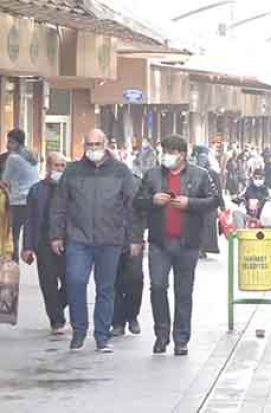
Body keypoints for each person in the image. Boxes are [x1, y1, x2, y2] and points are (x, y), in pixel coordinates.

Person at [50, 129, 141, 353]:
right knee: (75, 281)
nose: (92, 149)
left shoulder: (121, 171)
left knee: (106, 289)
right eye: (88, 144)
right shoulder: (72, 170)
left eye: (96, 144)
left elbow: (132, 207)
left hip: (110, 240)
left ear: (105, 144)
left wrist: (135, 239)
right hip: (78, 239)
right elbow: (59, 205)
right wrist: (56, 235)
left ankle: (102, 336)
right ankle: (79, 330)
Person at [134, 135, 220, 356]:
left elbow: (213, 200)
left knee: (183, 292)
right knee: (158, 287)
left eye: (170, 152)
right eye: (164, 151)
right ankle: (161, 334)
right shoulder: (152, 175)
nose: (166, 156)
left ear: (181, 154)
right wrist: (152, 200)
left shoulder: (200, 175)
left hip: (187, 243)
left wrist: (189, 203)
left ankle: (181, 338)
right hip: (159, 243)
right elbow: (138, 201)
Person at [22, 152, 67, 334]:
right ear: (48, 167)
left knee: (72, 282)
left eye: (63, 166)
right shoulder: (36, 190)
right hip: (44, 243)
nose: (60, 169)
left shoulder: (70, 190)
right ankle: (56, 319)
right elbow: (30, 220)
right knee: (48, 283)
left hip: (67, 242)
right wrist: (27, 247)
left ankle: (57, 307)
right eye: (56, 166)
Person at [111, 171, 145, 337]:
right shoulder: (101, 181)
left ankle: (132, 315)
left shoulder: (136, 183)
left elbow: (141, 213)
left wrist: (137, 238)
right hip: (109, 238)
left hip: (132, 238)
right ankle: (117, 321)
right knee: (113, 282)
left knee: (135, 279)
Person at [2, 128, 39, 262]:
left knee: (13, 236)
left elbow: (5, 180)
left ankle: (13, 265)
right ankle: (28, 253)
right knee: (30, 232)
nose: (7, 145)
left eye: (10, 142)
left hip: (18, 202)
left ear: (17, 143)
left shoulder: (13, 158)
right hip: (34, 200)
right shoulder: (32, 155)